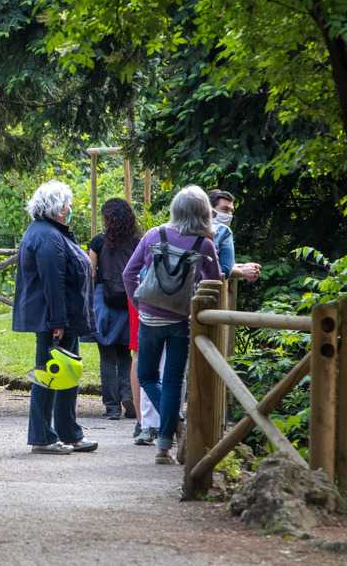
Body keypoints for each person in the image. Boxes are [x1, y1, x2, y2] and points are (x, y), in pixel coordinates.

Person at [123, 186, 222, 465]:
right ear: (204, 213)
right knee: (173, 382)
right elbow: (214, 283)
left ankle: (170, 426)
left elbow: (129, 272)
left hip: (149, 319)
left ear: (175, 209)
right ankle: (164, 446)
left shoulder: (155, 234)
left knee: (147, 376)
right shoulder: (204, 245)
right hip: (180, 321)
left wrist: (139, 302)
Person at [13, 180, 97, 455]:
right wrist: (58, 321)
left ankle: (67, 432)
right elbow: (53, 281)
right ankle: (43, 436)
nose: (70, 208)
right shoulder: (48, 236)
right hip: (55, 320)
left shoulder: (50, 232)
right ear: (57, 208)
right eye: (67, 204)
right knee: (50, 377)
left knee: (66, 376)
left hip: (61, 318)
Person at [88, 198, 139, 420]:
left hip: (104, 301)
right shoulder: (138, 241)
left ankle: (111, 407)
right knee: (126, 354)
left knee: (107, 356)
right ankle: (130, 399)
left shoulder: (98, 242)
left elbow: (90, 272)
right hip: (130, 301)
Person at [209, 190, 261, 281]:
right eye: (225, 209)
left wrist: (241, 266)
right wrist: (243, 272)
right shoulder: (223, 231)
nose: (229, 215)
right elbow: (224, 270)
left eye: (231, 211)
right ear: (210, 209)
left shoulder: (185, 228)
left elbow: (213, 263)